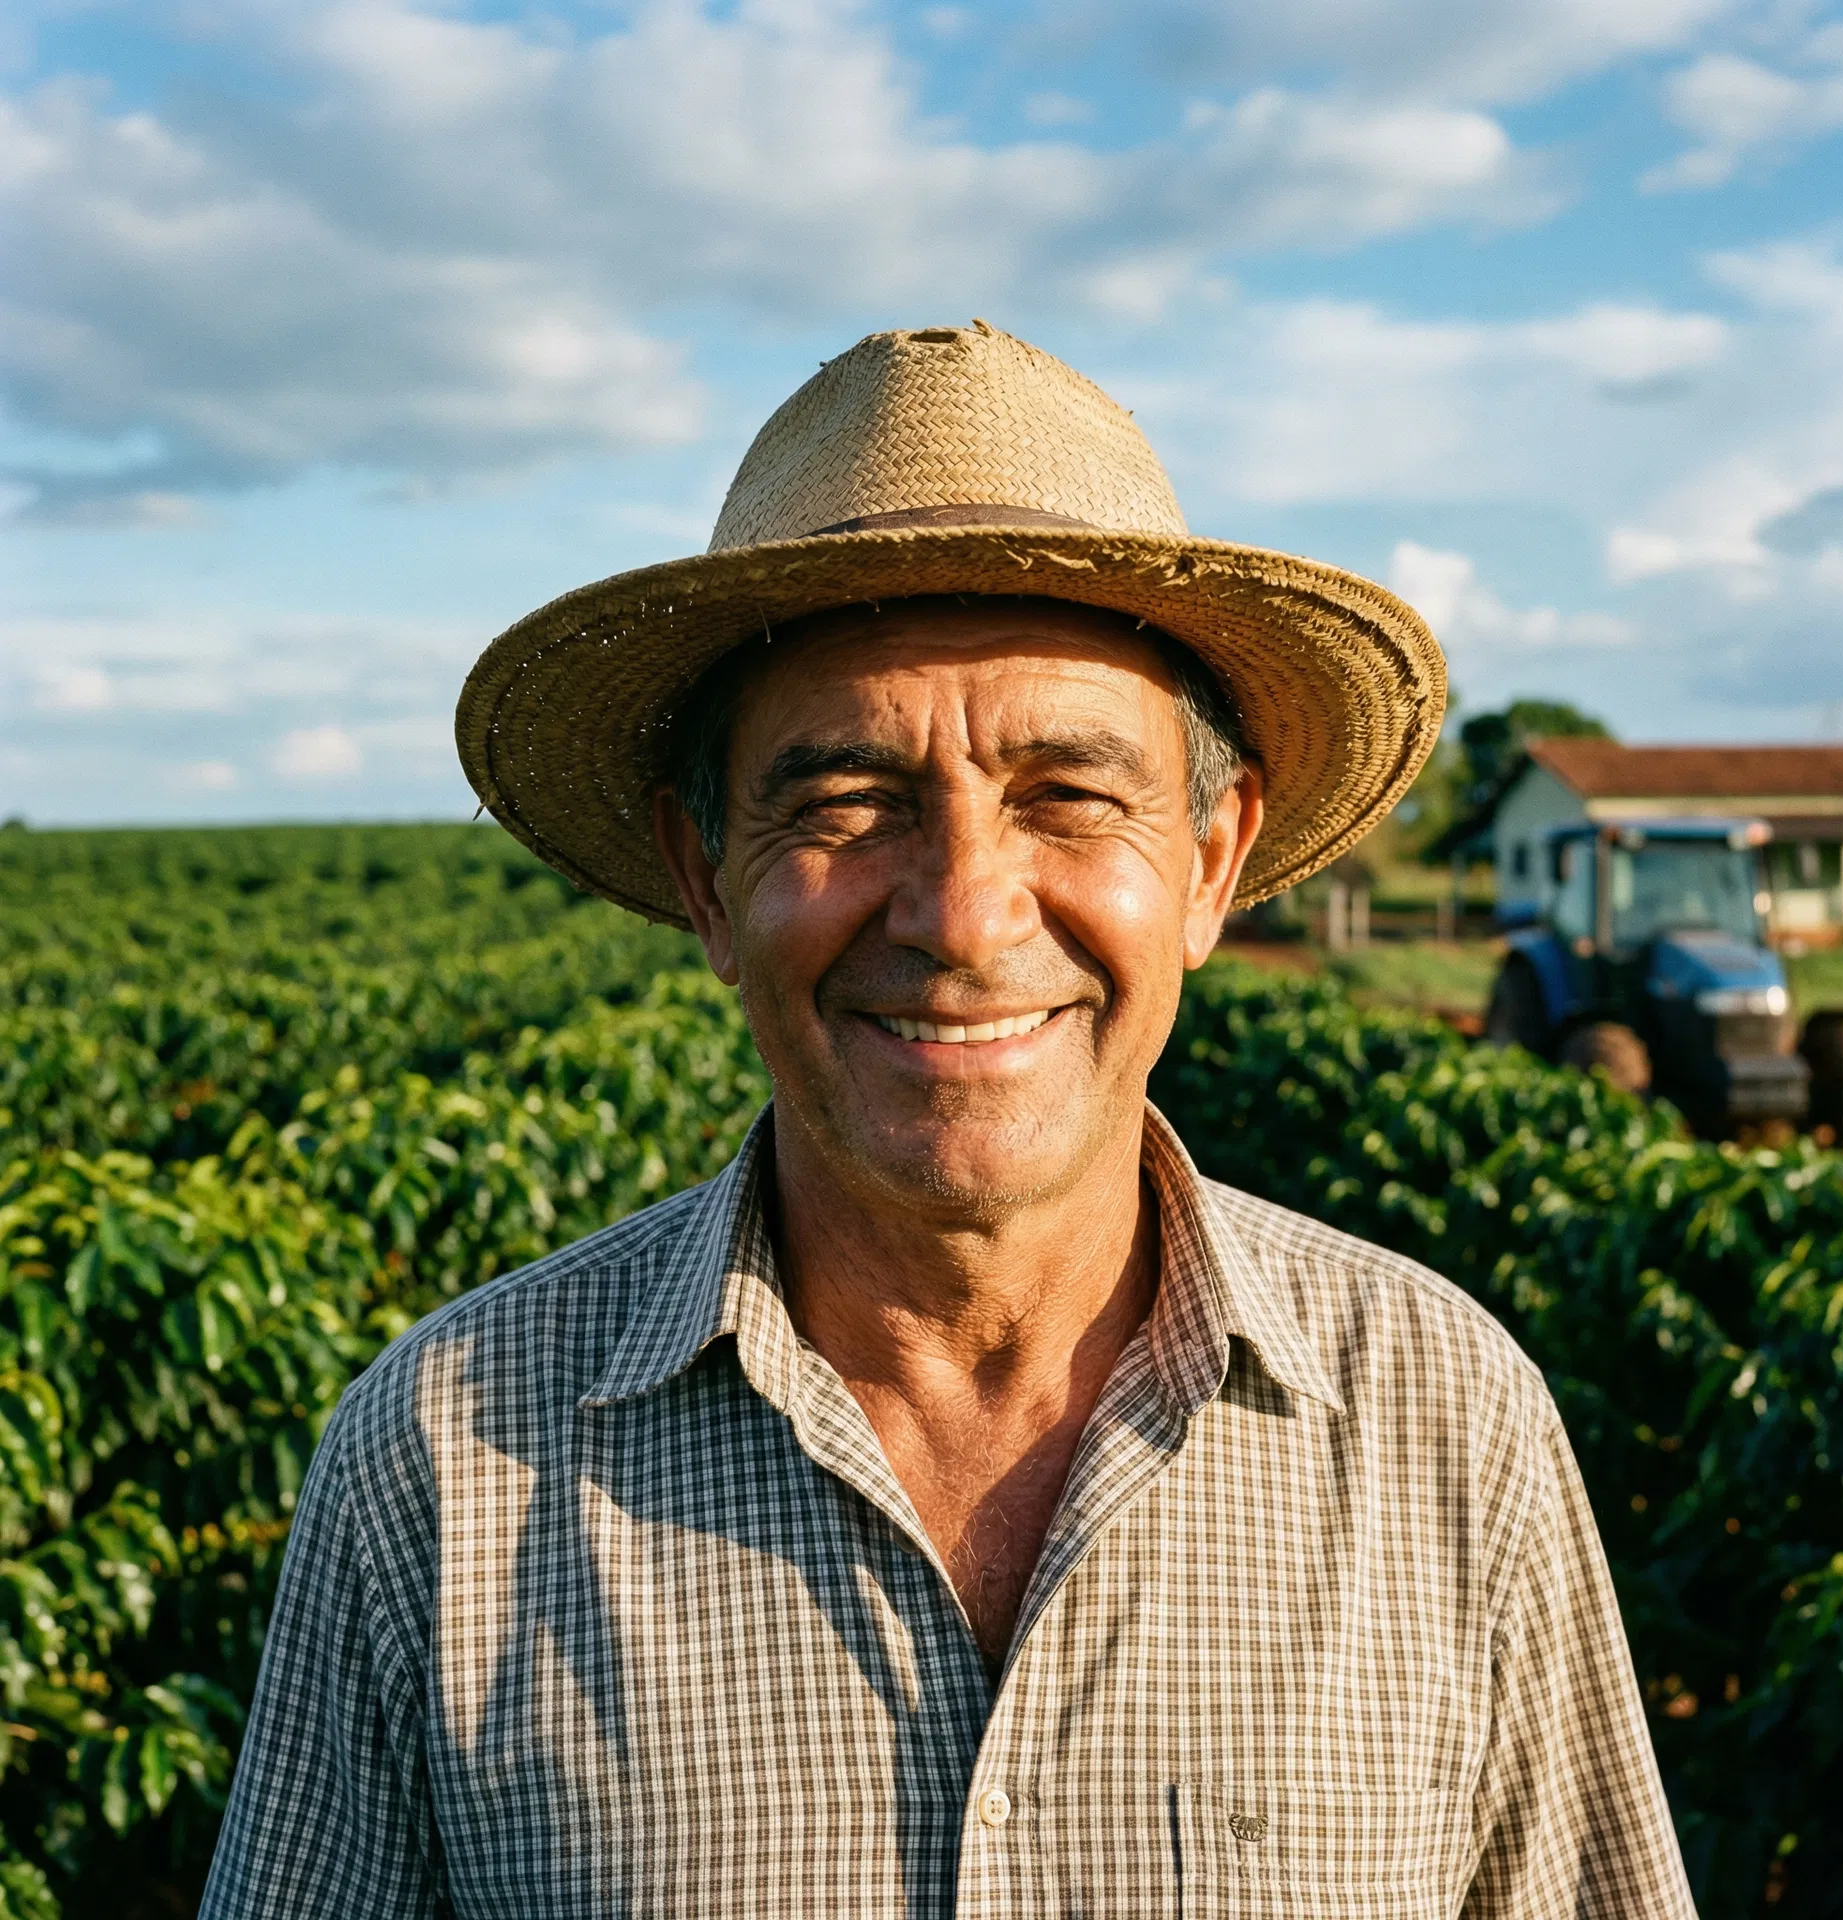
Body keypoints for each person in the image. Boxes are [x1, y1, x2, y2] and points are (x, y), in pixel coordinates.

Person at [202, 322, 1695, 1918]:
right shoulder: (442, 1462)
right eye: (846, 806)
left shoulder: (1446, 1422)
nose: (967, 915)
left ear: (1209, 862)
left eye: (1069, 795)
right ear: (709, 881)